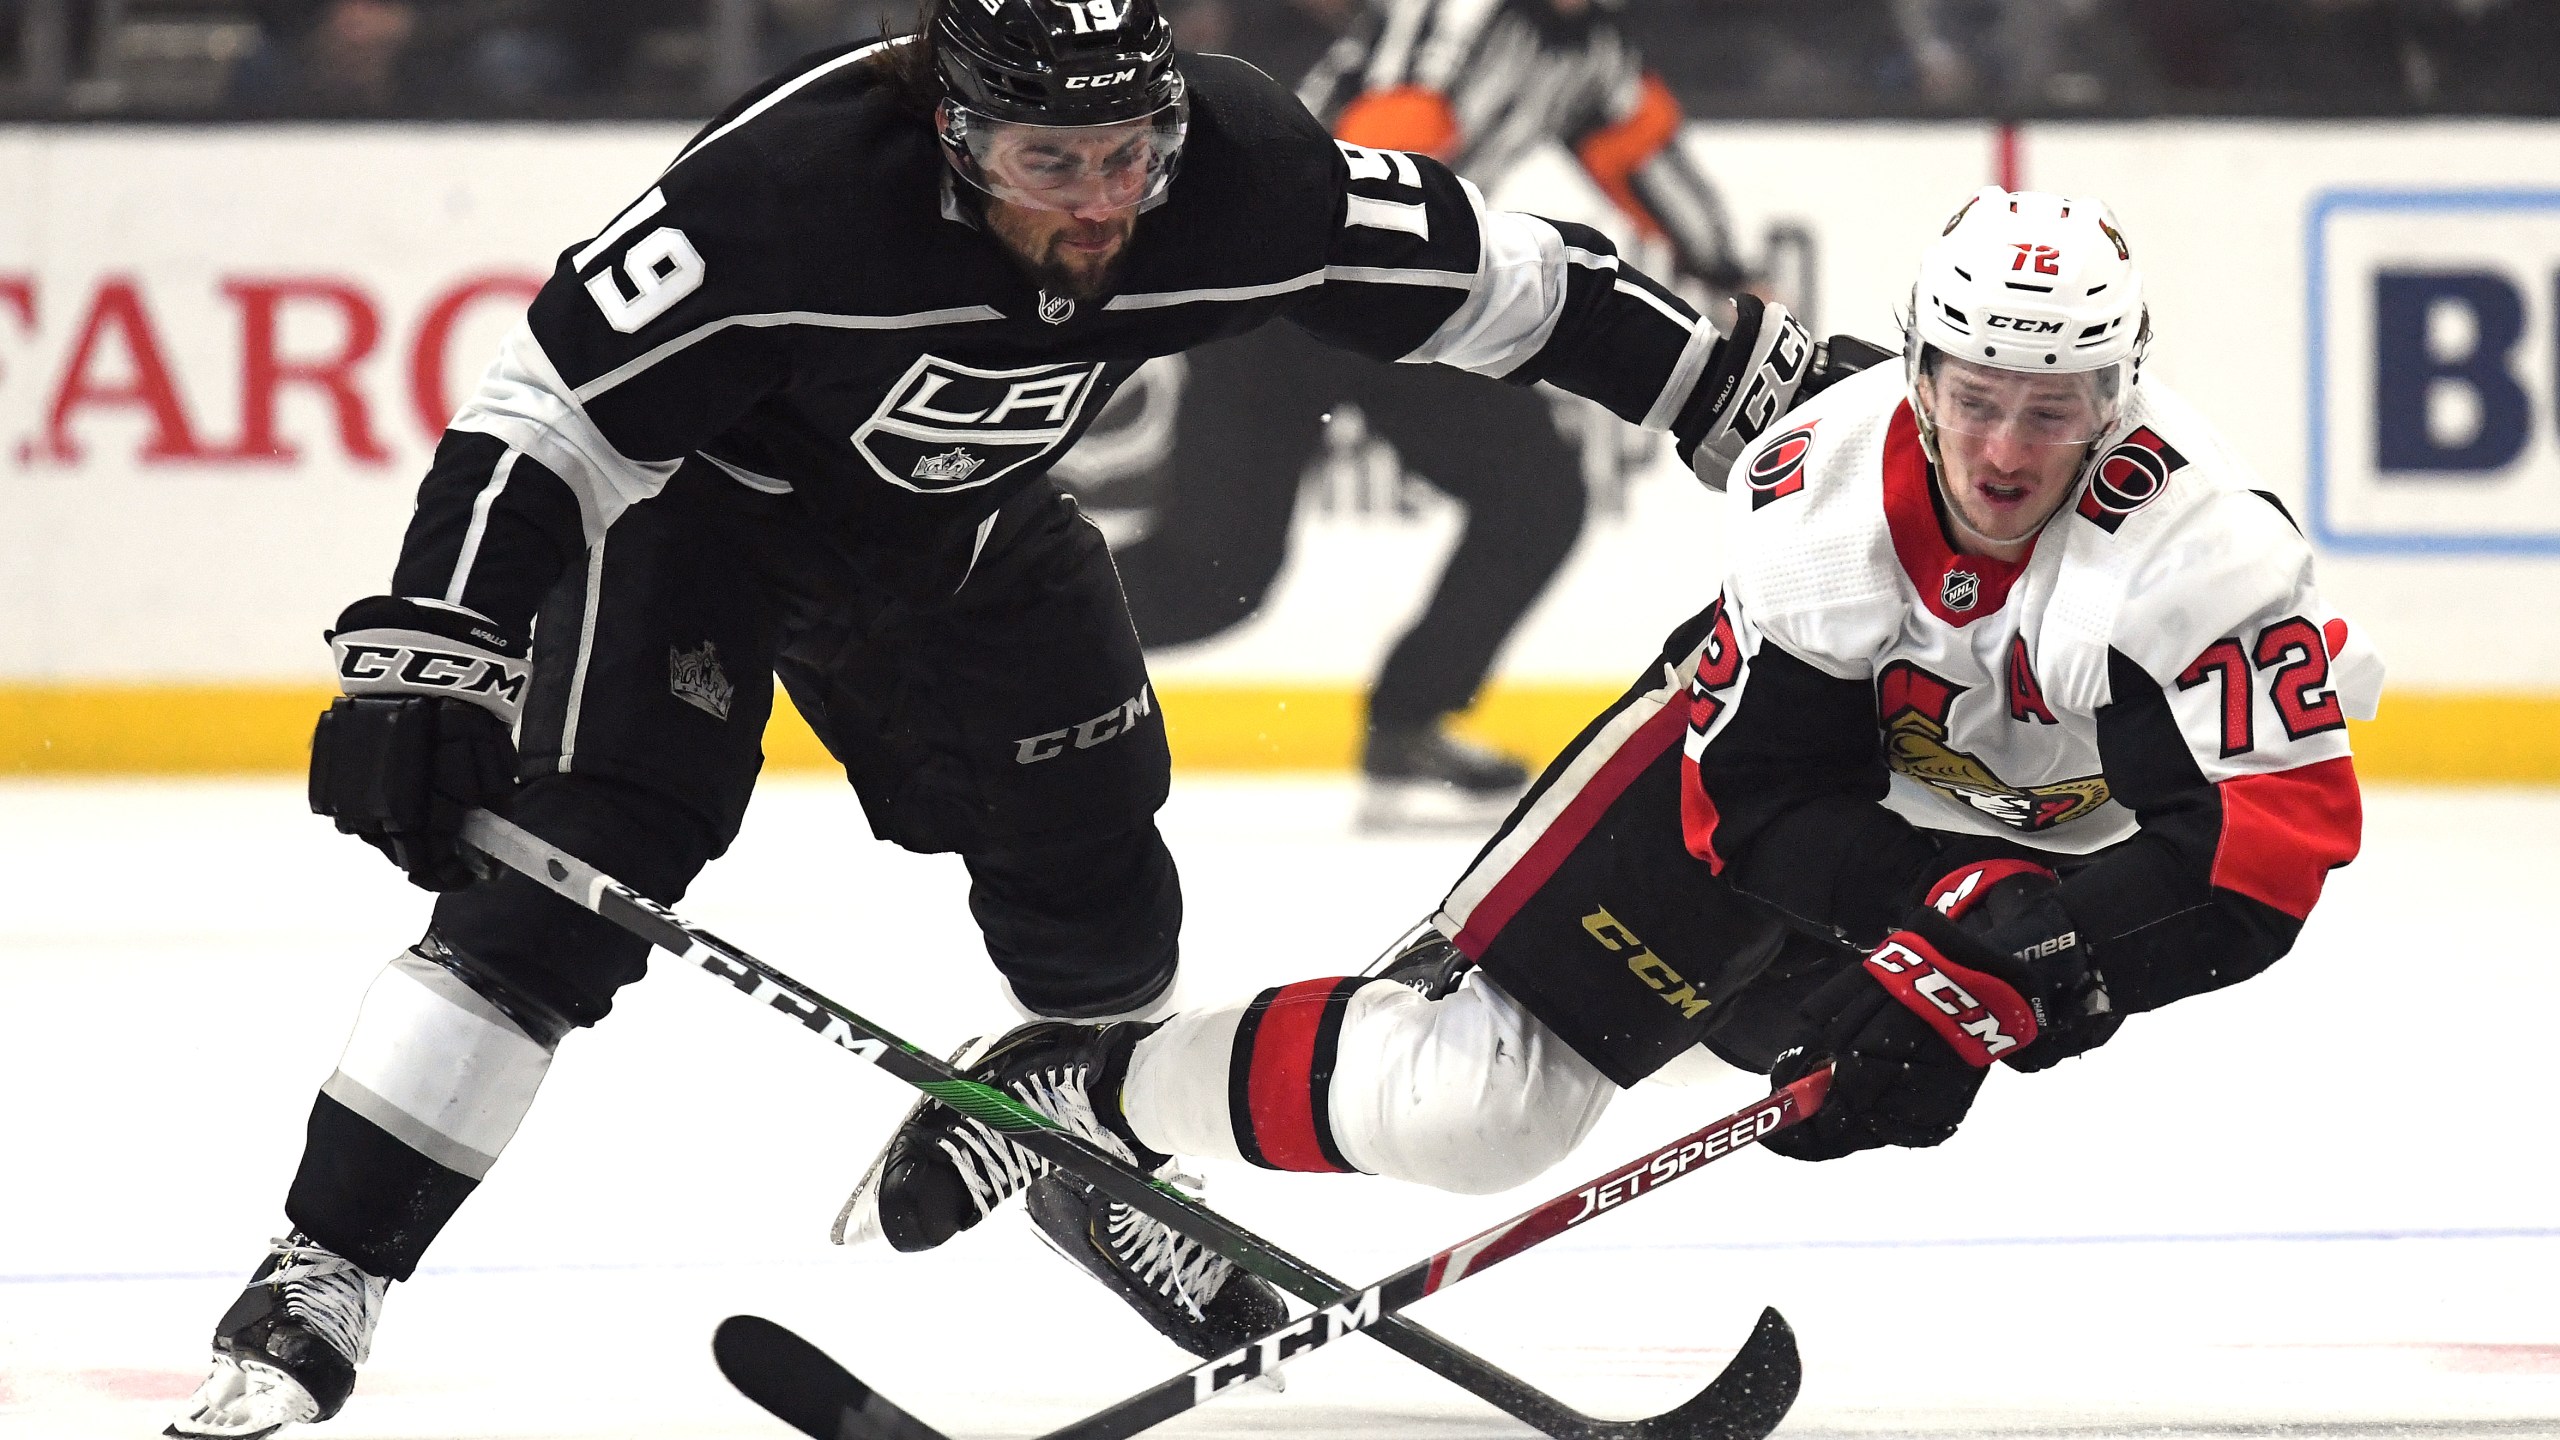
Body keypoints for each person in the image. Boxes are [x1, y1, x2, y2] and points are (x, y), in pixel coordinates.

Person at [164, 0, 1851, 1431]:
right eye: (1056, 163)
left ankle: (1101, 1166)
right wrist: (439, 638)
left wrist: (1725, 391)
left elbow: (1516, 284)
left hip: (976, 545)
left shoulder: (1239, 172)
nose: (1106, 202)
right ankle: (323, 1276)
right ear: (958, 131)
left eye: (1131, 153)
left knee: (1108, 896)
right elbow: (554, 411)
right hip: (698, 537)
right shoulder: (787, 197)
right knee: (551, 902)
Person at [849, 187, 2381, 1350]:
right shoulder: (1825, 489)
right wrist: (1955, 930)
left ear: (2118, 398)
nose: (2001, 449)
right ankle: (1088, 1099)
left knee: (1785, 1062)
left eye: (2050, 409)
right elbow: (1764, 803)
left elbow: (2262, 861)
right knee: (1475, 1106)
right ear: (1920, 370)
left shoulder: (2206, 557)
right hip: (1747, 787)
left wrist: (2024, 971)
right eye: (1974, 393)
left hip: (1968, 830)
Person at [1110, 0, 1757, 829]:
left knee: (1535, 500)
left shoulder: (1592, 51)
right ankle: (1006, 634)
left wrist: (1737, 277)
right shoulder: (1452, 15)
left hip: (1387, 296)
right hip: (1282, 289)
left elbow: (1644, 158)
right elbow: (1381, 145)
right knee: (1217, 576)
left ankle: (1410, 723)